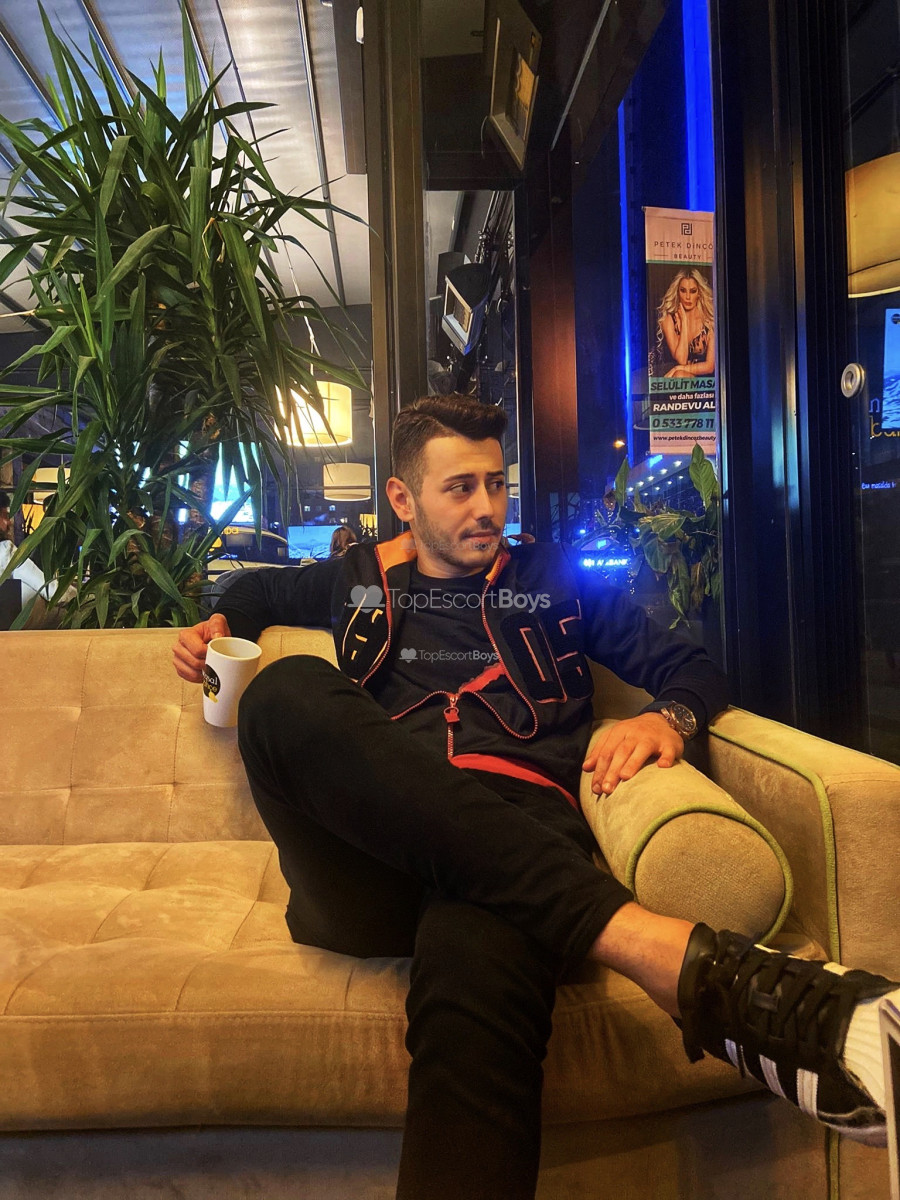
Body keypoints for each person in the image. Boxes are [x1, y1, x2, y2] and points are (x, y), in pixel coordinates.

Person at [173, 395, 897, 1200]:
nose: (487, 507)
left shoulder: (557, 582)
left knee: (476, 965)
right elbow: (256, 591)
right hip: (371, 865)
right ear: (403, 499)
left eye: (496, 483)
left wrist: (668, 716)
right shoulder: (356, 580)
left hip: (518, 852)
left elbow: (693, 668)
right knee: (285, 692)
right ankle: (668, 955)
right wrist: (218, 621)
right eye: (460, 489)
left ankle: (680, 967)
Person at [0, 489, 70, 608]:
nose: (9, 523)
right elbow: (52, 591)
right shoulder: (4, 551)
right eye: (5, 516)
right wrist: (87, 597)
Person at [653, 268, 716, 379]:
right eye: (683, 290)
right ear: (677, 292)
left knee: (680, 374)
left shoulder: (709, 321)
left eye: (693, 291)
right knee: (680, 375)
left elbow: (710, 366)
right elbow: (681, 359)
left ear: (699, 293)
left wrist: (678, 368)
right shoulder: (668, 319)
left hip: (702, 382)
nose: (688, 297)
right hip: (676, 379)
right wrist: (685, 322)